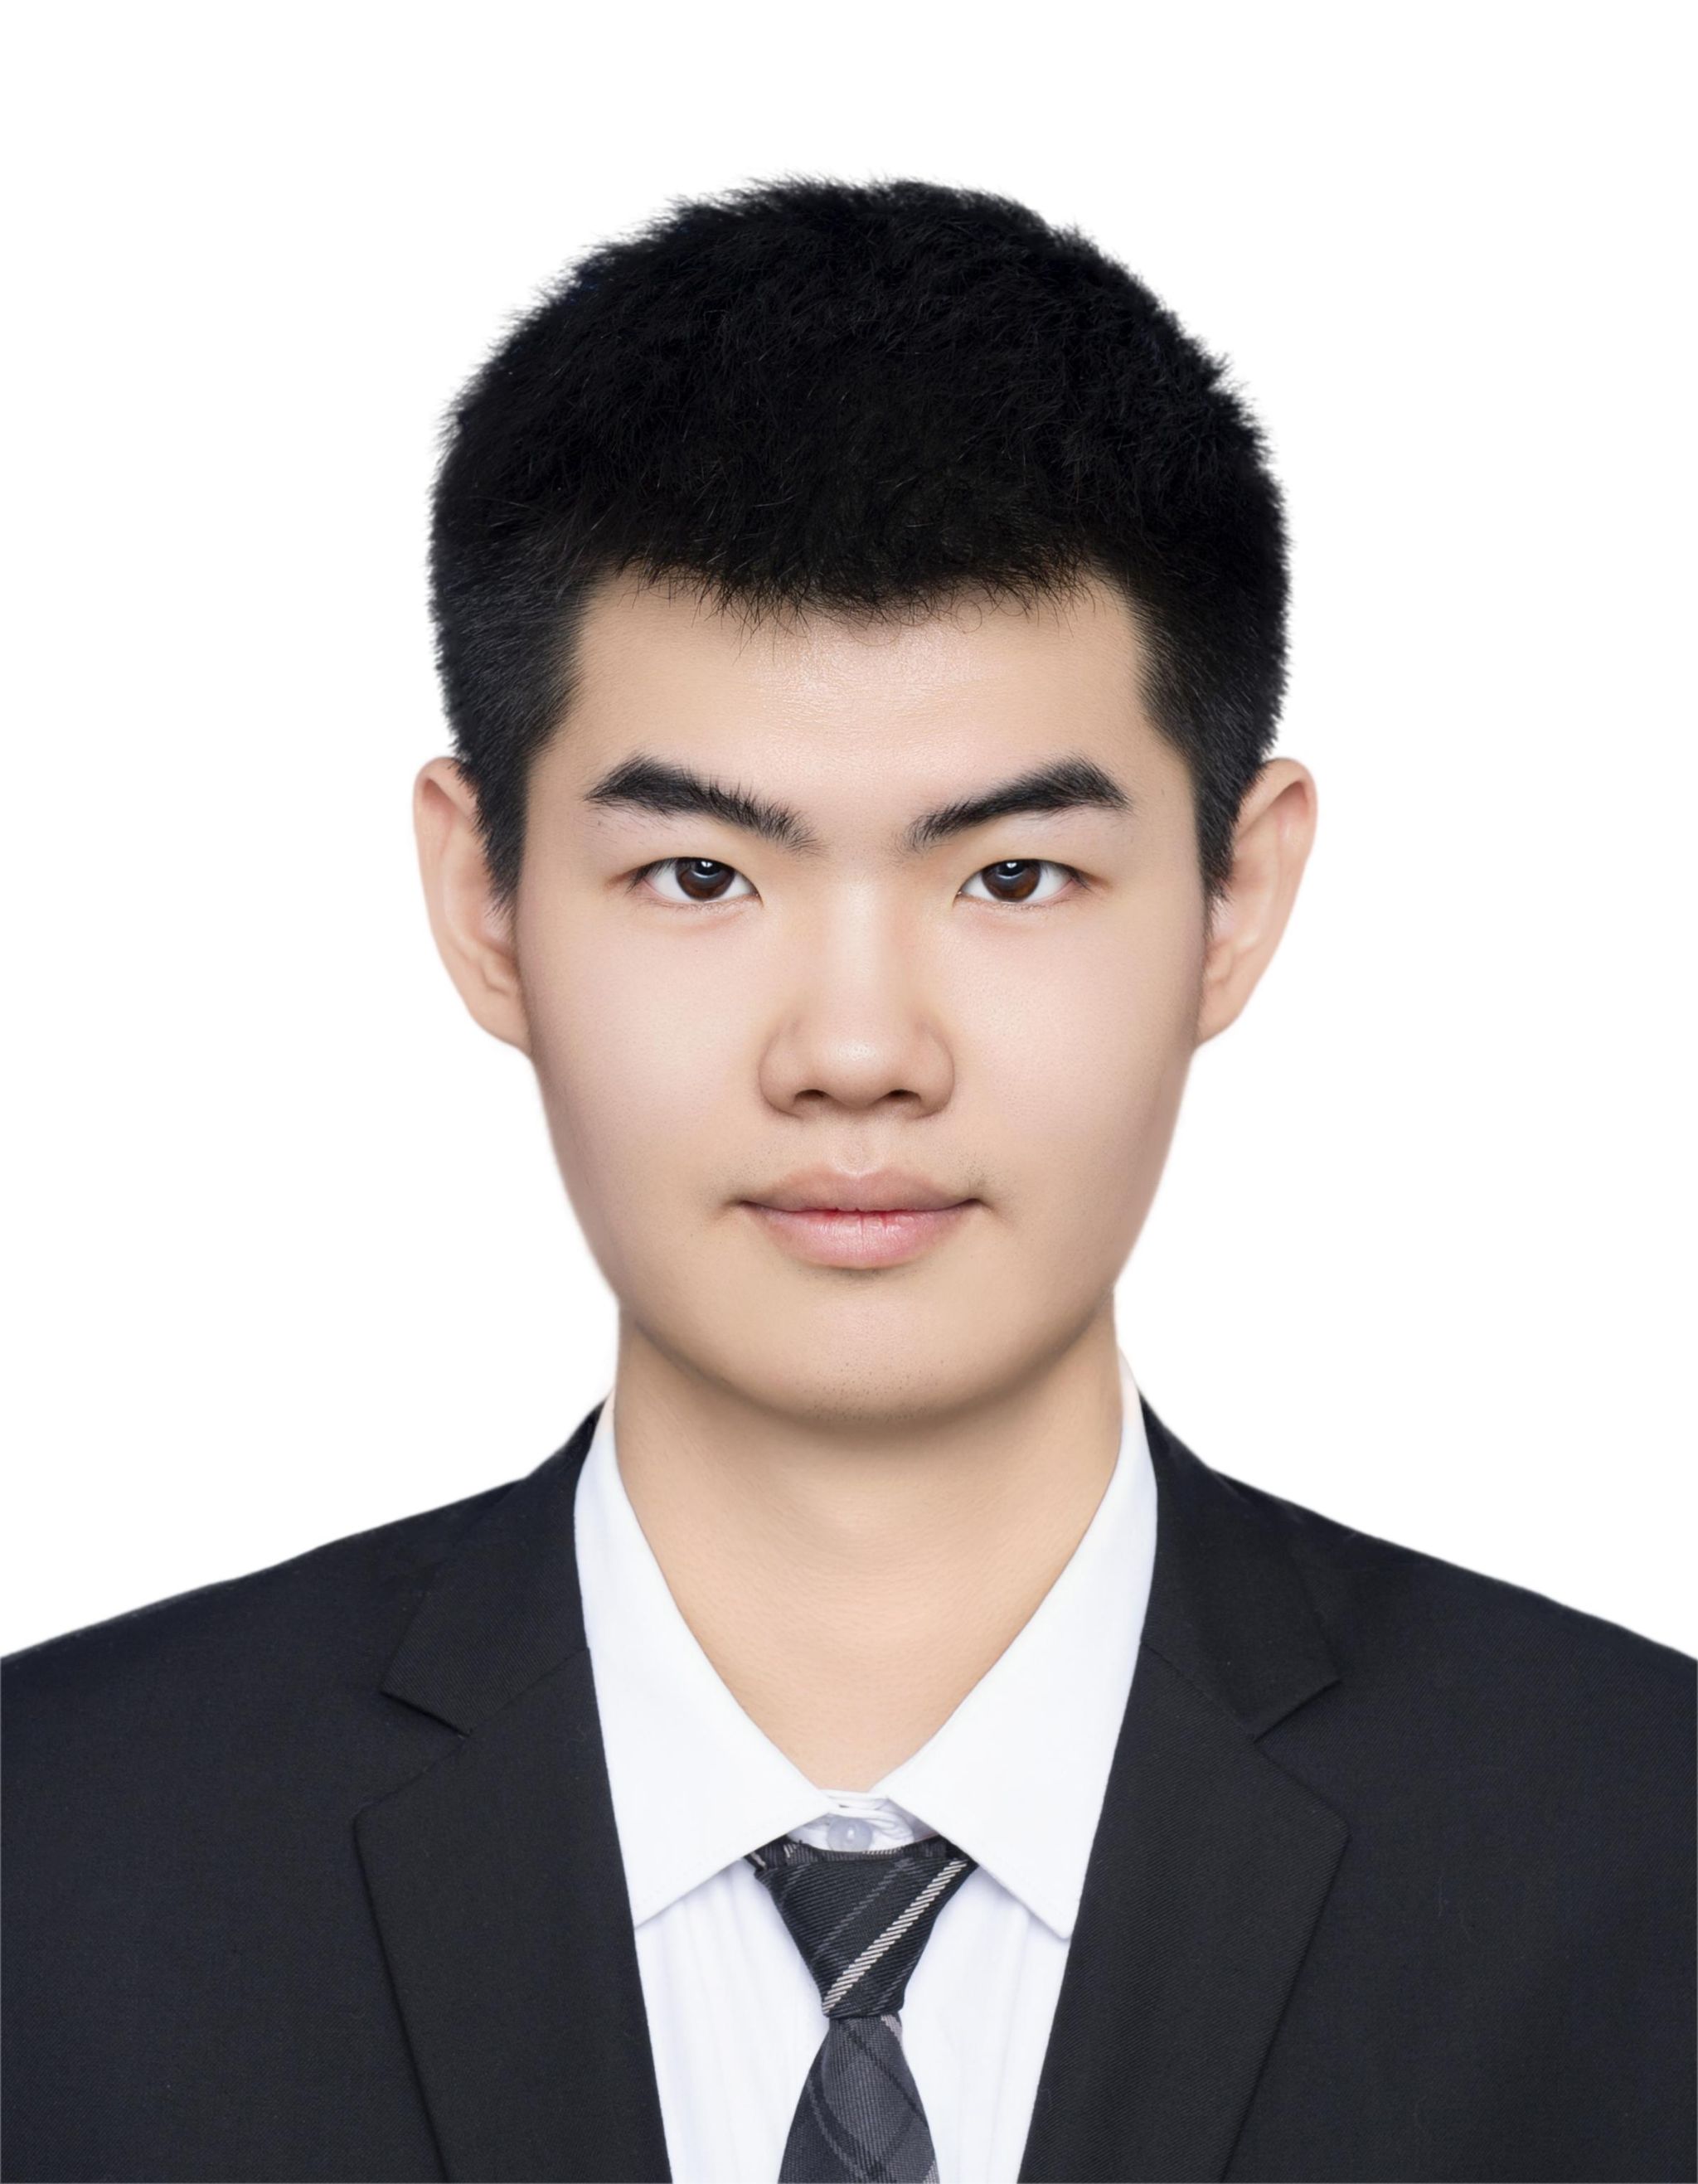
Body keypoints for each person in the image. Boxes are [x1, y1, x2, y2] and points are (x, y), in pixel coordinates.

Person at [3, 175, 1692, 2184]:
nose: (859, 1048)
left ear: (1236, 896)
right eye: (699, 875)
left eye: (1014, 875)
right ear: (485, 900)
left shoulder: (1638, 1862)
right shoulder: (60, 1868)